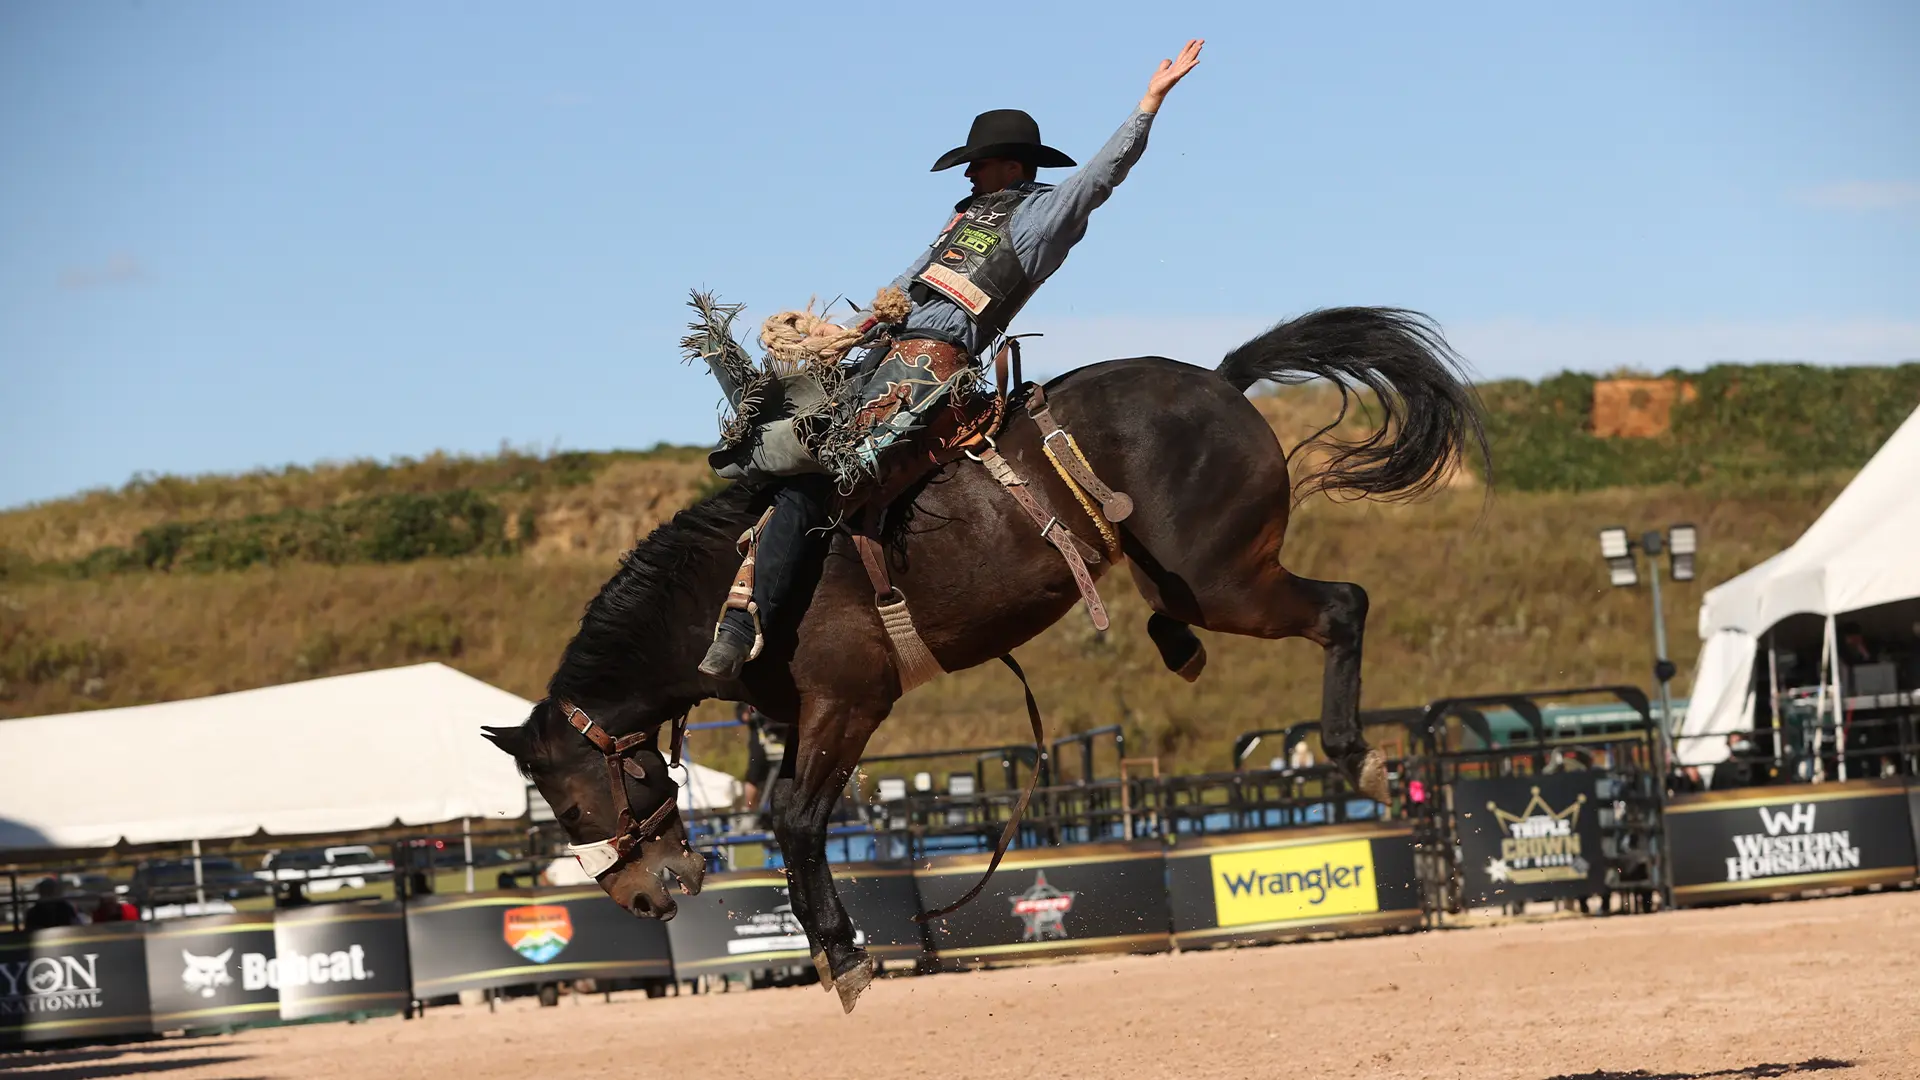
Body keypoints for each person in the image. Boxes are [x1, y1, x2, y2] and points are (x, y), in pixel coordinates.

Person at [696, 40, 1207, 680]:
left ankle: (751, 617)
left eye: (977, 163)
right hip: (879, 361)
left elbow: (1099, 176)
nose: (967, 175)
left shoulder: (1041, 216)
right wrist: (845, 336)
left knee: (820, 474)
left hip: (931, 376)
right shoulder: (965, 217)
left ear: (1011, 166)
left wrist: (1148, 104)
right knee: (778, 446)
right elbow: (906, 285)